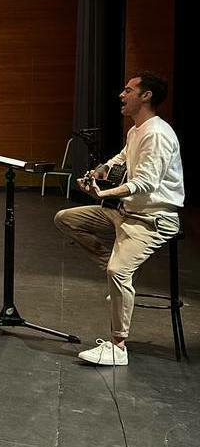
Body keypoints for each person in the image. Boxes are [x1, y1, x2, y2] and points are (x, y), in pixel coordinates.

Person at [54, 72, 185, 366]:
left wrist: (104, 194)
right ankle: (116, 264)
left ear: (146, 96)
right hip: (124, 212)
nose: (121, 96)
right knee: (66, 219)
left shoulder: (158, 134)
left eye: (128, 90)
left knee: (118, 272)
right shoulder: (136, 130)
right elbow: (121, 159)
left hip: (153, 219)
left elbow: (146, 184)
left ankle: (118, 347)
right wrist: (97, 173)